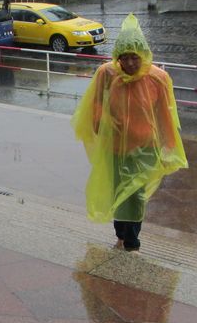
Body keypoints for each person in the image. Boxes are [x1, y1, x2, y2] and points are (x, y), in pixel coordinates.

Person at [71, 14, 187, 250]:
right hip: (115, 147)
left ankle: (132, 243)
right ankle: (121, 235)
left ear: (143, 55)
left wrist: (169, 146)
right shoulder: (106, 73)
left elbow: (165, 114)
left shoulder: (159, 78)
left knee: (136, 194)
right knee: (119, 192)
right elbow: (95, 104)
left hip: (145, 147)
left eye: (135, 57)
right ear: (118, 57)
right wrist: (102, 121)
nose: (131, 63)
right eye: (125, 57)